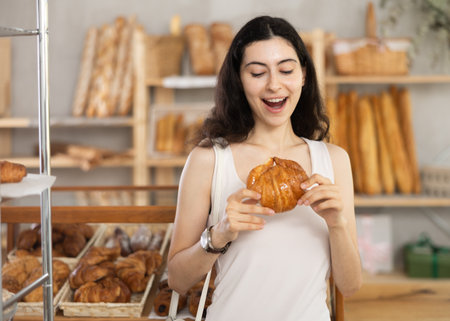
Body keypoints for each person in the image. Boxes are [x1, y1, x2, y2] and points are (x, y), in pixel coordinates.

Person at [167, 15, 362, 320]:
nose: (274, 85)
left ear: (303, 75)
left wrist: (337, 224)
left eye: (286, 70)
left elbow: (350, 286)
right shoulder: (208, 160)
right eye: (257, 72)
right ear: (239, 80)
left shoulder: (333, 159)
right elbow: (178, 280)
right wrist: (218, 235)